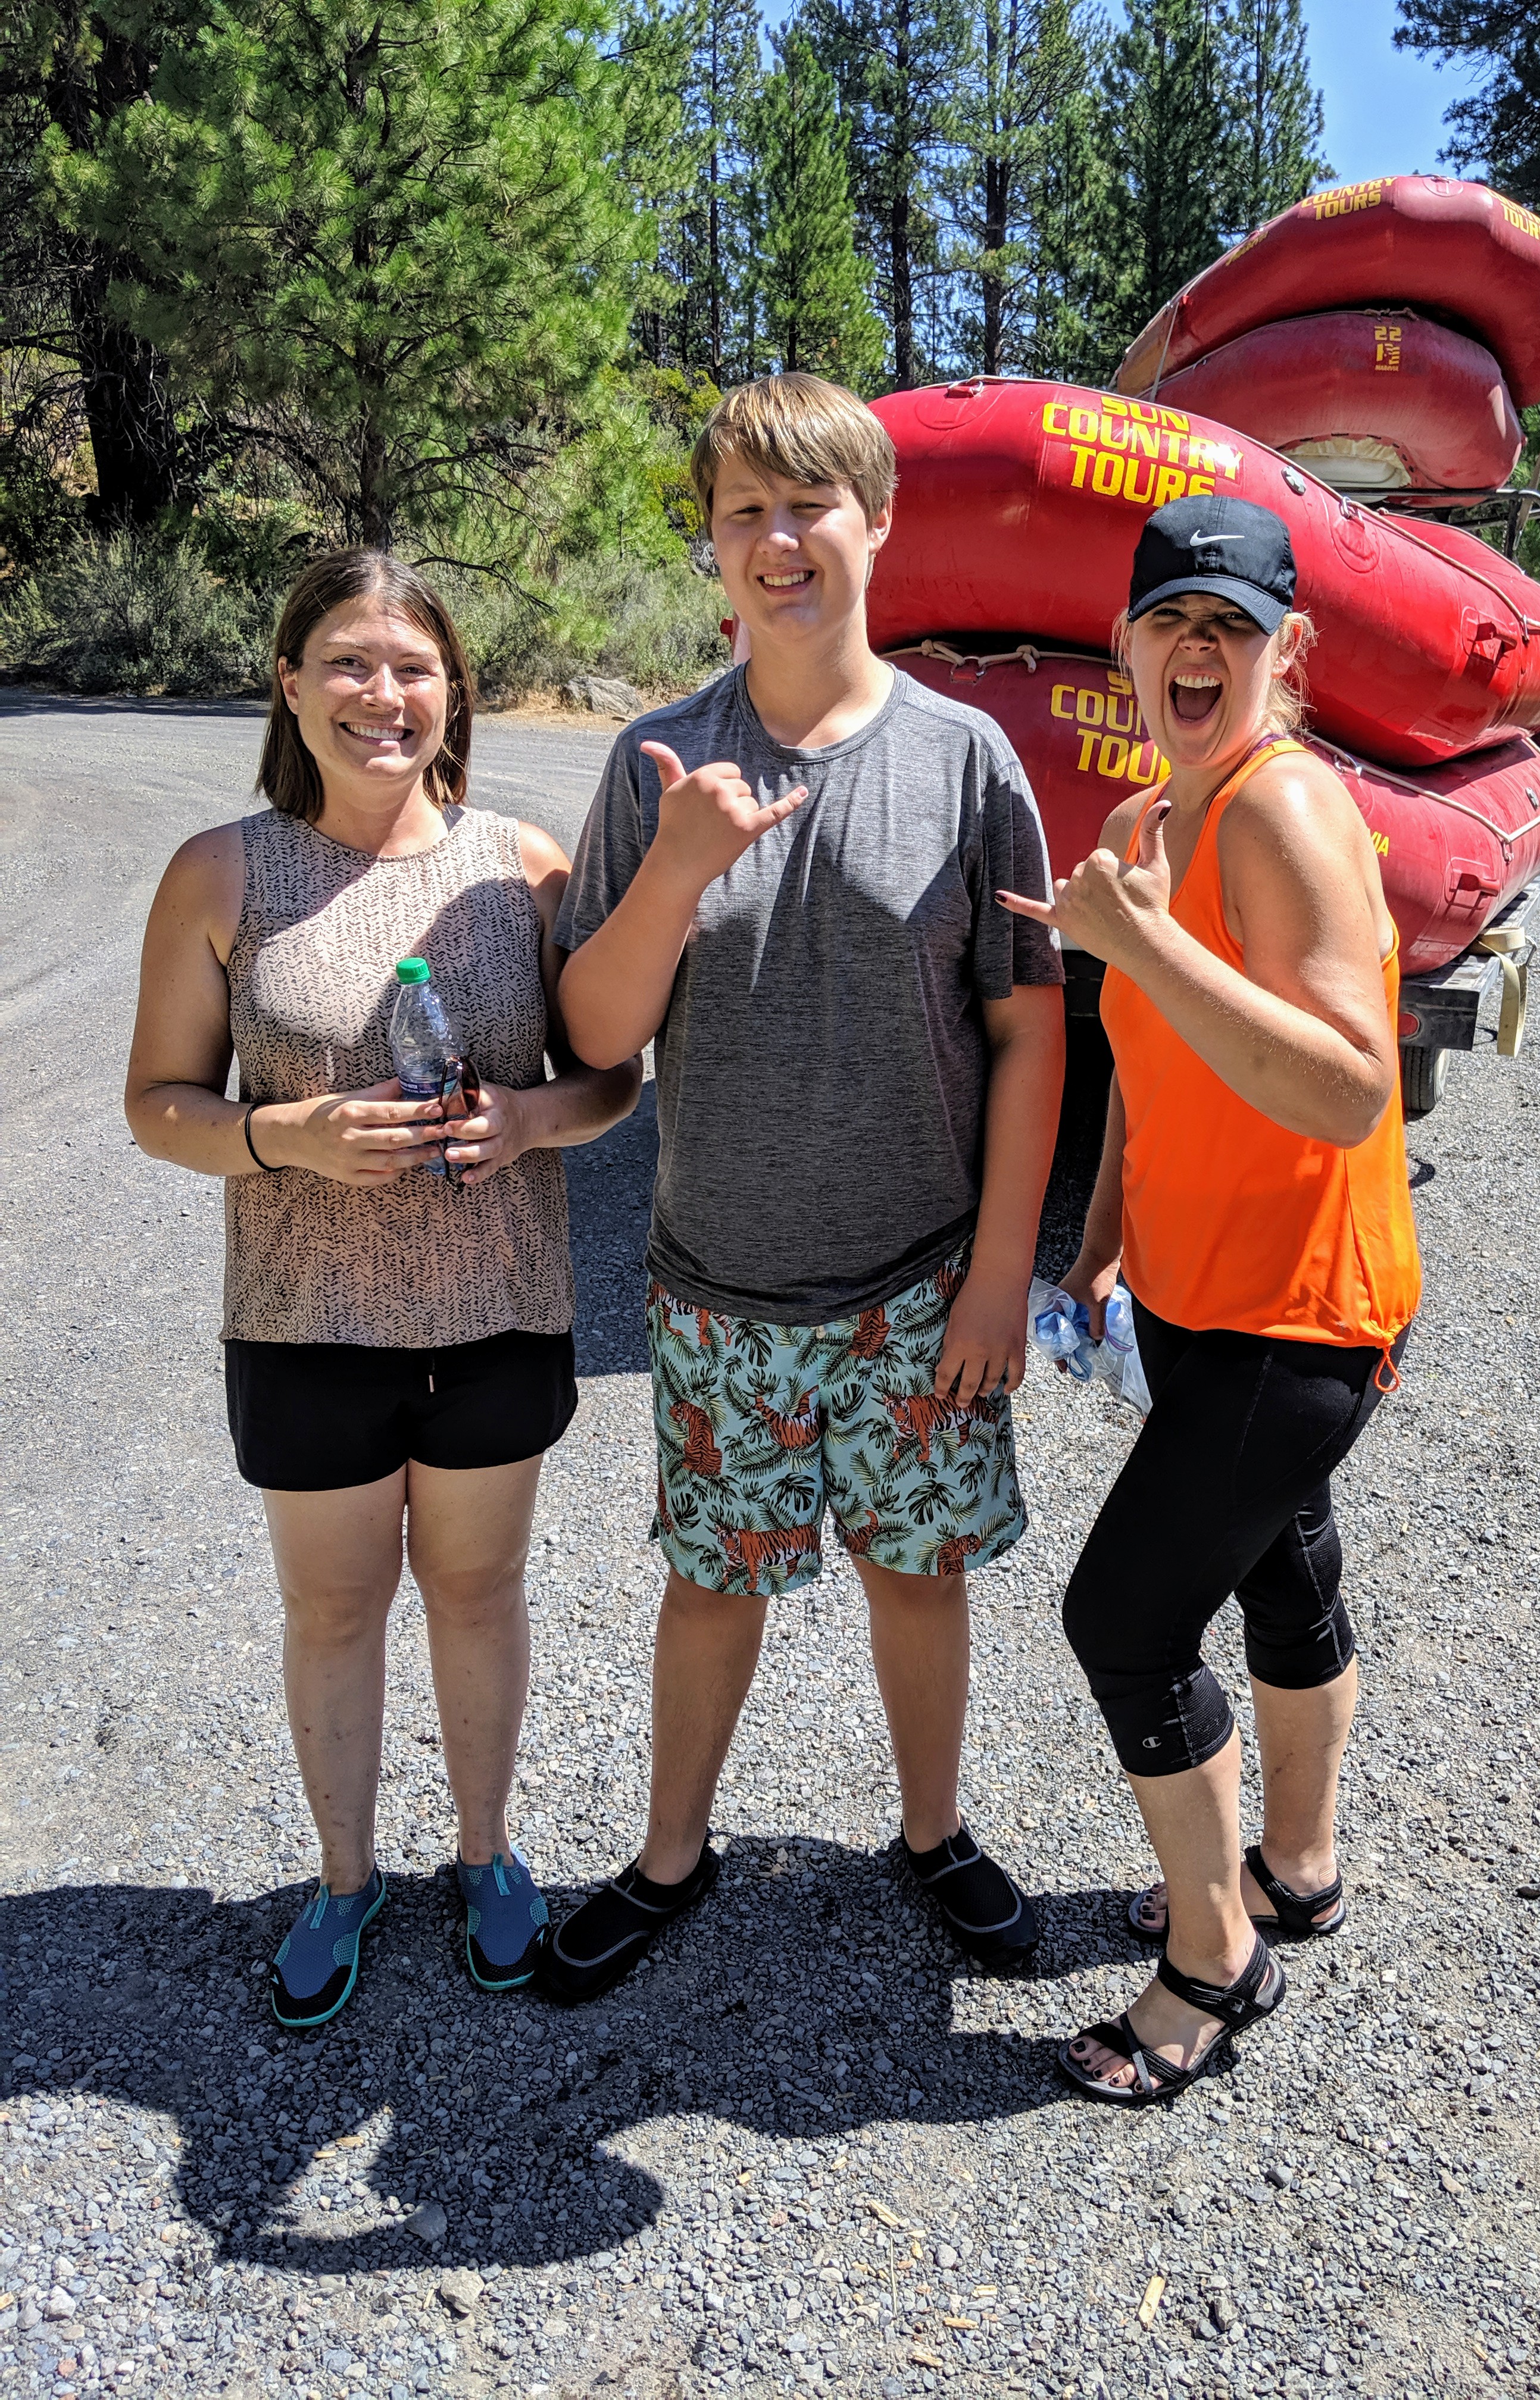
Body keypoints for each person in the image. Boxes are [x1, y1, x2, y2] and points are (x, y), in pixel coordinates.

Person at [541, 373, 1066, 2001]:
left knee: (918, 1574)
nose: (779, 539)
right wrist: (679, 863)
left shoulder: (967, 762)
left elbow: (1030, 1033)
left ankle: (934, 1834)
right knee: (712, 1587)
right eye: (744, 512)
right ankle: (668, 1856)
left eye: (810, 505)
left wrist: (1001, 1274)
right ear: (713, 546)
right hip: (717, 1288)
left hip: (920, 1287)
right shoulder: (658, 763)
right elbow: (597, 1034)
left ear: (878, 522)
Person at [123, 550, 642, 2029]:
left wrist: (530, 1120)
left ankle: (485, 1857)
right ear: (290, 685)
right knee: (336, 1608)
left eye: (413, 667)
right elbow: (157, 1104)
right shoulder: (222, 873)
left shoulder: (524, 867)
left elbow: (613, 1079)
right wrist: (280, 1136)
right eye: (347, 662)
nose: (382, 694)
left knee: (478, 1593)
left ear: (453, 693)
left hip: (498, 1312)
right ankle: (345, 1880)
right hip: (304, 1326)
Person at [998, 492, 1421, 2106]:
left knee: (1125, 1617)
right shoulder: (1143, 820)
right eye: (1169, 620)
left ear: (1286, 650)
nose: (1196, 650)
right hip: (1199, 1295)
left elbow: (1348, 1085)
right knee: (1284, 1566)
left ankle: (1212, 1960)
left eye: (1230, 627)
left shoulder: (1283, 807)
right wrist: (1100, 1233)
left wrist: (1145, 944)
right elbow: (1142, 1058)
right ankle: (1295, 1869)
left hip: (1298, 1317)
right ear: (1122, 644)